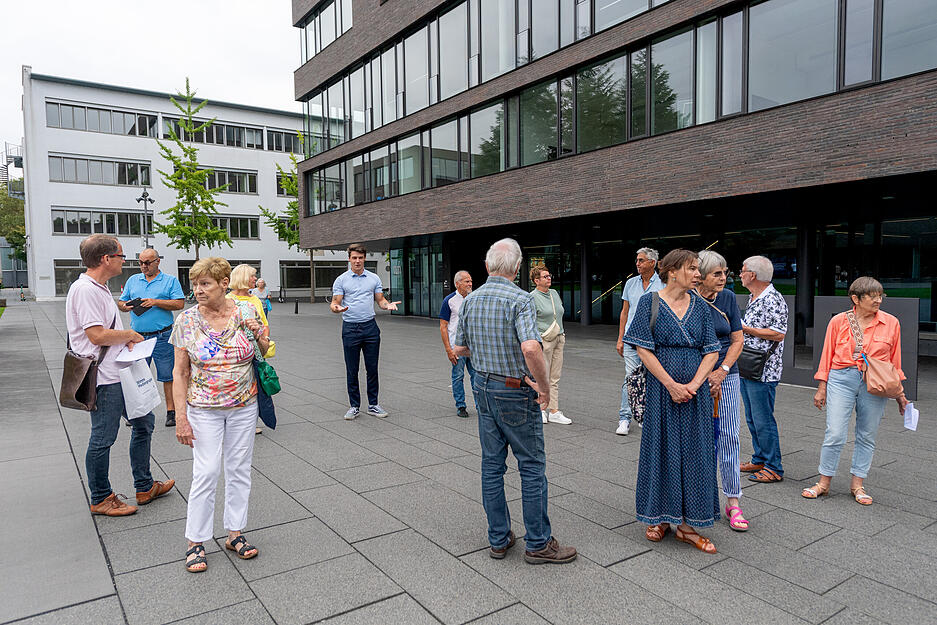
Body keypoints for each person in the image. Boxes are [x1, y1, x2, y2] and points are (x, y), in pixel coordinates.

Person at [454, 238, 577, 565]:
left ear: (487, 266)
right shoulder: (521, 300)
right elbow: (531, 348)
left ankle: (498, 538)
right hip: (515, 389)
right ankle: (538, 542)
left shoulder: (470, 299)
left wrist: (486, 350)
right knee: (531, 465)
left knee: (492, 466)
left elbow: (460, 348)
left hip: (482, 386)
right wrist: (543, 387)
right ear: (519, 268)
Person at [170, 257, 270, 573]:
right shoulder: (186, 321)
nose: (198, 290)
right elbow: (180, 372)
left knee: (239, 469)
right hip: (203, 409)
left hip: (244, 405)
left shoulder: (245, 311)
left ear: (224, 283)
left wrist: (261, 335)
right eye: (195, 284)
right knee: (206, 472)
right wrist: (181, 417)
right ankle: (195, 540)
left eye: (205, 284)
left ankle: (235, 533)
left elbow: (263, 351)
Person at [65, 234, 175, 517]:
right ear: (106, 259)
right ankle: (101, 497)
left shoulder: (99, 287)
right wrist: (128, 334)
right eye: (121, 256)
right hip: (104, 378)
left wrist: (123, 341)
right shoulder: (86, 290)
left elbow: (102, 332)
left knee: (144, 423)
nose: (125, 261)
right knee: (103, 437)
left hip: (117, 372)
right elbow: (96, 335)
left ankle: (145, 486)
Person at [623, 249, 721, 554]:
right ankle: (660, 518)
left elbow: (712, 350)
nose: (698, 274)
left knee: (695, 453)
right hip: (661, 391)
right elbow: (643, 348)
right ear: (673, 271)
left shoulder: (701, 306)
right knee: (661, 449)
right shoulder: (648, 303)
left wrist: (693, 385)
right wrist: (670, 384)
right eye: (692, 268)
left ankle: (688, 526)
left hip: (695, 393)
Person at [804, 277, 909, 505]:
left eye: (880, 296)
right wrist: (822, 387)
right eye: (872, 296)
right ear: (856, 298)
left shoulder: (892, 323)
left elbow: (895, 362)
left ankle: (858, 485)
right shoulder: (839, 321)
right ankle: (823, 482)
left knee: (867, 435)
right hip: (841, 378)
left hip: (875, 382)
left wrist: (900, 394)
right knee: (835, 433)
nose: (878, 300)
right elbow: (827, 355)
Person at [695, 250, 748, 532]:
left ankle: (733, 501)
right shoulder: (688, 298)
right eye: (717, 273)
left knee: (729, 436)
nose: (723, 278)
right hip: (695, 377)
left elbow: (737, 339)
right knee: (696, 438)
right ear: (700, 275)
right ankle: (697, 498)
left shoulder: (727, 297)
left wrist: (722, 370)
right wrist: (705, 375)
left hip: (726, 374)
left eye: (725, 272)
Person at [330, 243, 400, 420]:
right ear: (349, 259)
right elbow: (335, 302)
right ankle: (354, 406)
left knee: (372, 368)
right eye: (354, 258)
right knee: (352, 370)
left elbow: (380, 300)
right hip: (350, 328)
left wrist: (387, 305)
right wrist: (336, 308)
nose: (357, 261)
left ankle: (373, 405)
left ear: (365, 259)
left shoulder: (373, 278)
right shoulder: (341, 280)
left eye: (360, 258)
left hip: (370, 327)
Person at [118, 248, 185, 427]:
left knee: (167, 375)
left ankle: (171, 411)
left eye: (147, 263)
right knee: (137, 375)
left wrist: (156, 302)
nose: (143, 266)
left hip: (162, 336)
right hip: (138, 337)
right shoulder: (133, 280)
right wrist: (125, 306)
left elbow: (179, 303)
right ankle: (138, 411)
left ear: (157, 261)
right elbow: (121, 302)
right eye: (140, 262)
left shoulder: (170, 281)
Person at [738, 255, 788, 483]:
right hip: (749, 365)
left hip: (764, 369)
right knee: (752, 417)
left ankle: (773, 467)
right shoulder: (754, 297)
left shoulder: (773, 299)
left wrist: (746, 329)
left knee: (763, 419)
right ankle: (759, 458)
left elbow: (778, 333)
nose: (740, 274)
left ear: (753, 275)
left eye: (743, 270)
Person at [616, 247, 663, 435]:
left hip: (654, 341)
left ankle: (645, 415)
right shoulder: (631, 283)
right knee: (631, 378)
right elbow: (624, 312)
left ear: (652, 262)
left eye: (641, 260)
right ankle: (624, 418)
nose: (637, 263)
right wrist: (620, 338)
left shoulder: (663, 284)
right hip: (631, 340)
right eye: (637, 260)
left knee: (652, 378)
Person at [530, 264, 572, 425]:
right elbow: (530, 322)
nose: (549, 278)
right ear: (536, 280)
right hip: (544, 340)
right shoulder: (532, 297)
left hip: (559, 337)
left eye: (549, 276)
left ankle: (554, 410)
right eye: (545, 276)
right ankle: (541, 410)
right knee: (543, 376)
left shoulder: (554, 293)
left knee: (555, 376)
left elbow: (558, 313)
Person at [439, 270, 476, 418]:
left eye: (471, 281)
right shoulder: (449, 300)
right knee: (458, 376)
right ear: (457, 284)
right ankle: (461, 405)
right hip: (457, 346)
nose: (470, 284)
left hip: (474, 347)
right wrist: (449, 349)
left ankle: (481, 406)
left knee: (477, 376)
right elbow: (443, 326)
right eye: (467, 281)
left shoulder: (475, 298)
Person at [227, 265, 269, 336]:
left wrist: (266, 339)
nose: (255, 278)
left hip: (256, 341)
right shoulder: (227, 299)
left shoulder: (255, 299)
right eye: (252, 276)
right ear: (242, 278)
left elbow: (265, 325)